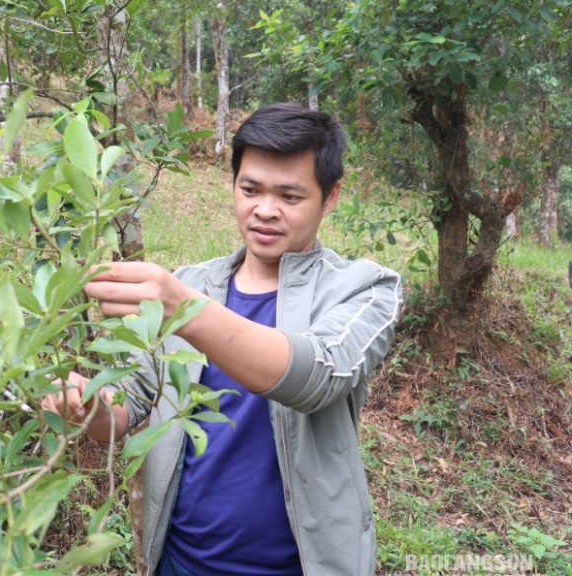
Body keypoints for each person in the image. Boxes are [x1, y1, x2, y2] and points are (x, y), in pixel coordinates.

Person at [41, 103, 402, 576]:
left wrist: (184, 309)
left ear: (330, 197)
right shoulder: (190, 283)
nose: (264, 210)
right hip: (181, 561)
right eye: (250, 189)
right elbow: (128, 405)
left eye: (290, 196)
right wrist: (87, 406)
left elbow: (314, 376)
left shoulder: (364, 288)